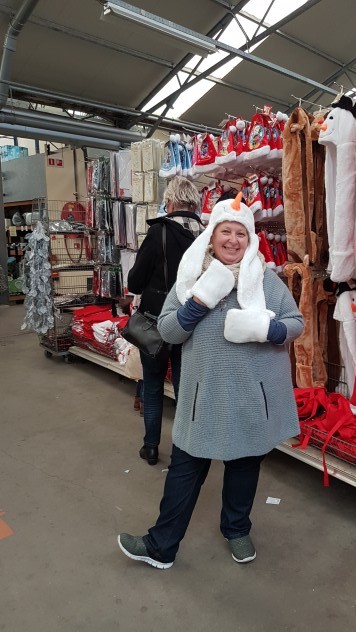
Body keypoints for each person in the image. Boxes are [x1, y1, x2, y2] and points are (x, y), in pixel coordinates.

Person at [118, 192, 304, 567]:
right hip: (204, 396)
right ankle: (161, 546)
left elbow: (295, 323)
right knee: (185, 469)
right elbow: (168, 331)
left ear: (249, 239)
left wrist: (267, 329)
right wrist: (200, 302)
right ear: (212, 235)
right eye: (225, 231)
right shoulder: (191, 278)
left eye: (240, 233)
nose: (232, 240)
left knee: (244, 467)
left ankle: (236, 530)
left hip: (250, 394)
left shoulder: (265, 281)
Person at [127, 176, 204, 466]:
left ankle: (150, 447)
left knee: (153, 384)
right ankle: (185, 451)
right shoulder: (208, 236)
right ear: (194, 204)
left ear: (170, 202)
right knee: (186, 389)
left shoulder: (159, 232)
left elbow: (135, 282)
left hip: (156, 322)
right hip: (192, 324)